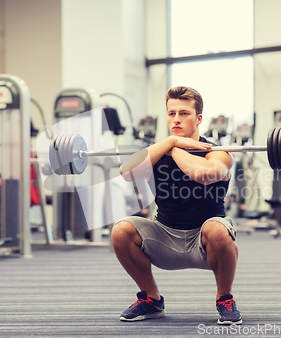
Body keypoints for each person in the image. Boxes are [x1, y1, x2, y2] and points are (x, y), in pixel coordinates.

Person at [112, 86, 241, 325]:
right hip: (165, 237)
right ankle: (151, 300)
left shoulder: (218, 153)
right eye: (172, 114)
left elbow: (203, 174)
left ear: (199, 118)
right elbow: (126, 172)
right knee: (121, 230)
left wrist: (173, 148)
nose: (176, 119)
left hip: (205, 242)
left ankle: (225, 298)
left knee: (218, 229)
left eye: (184, 113)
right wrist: (170, 142)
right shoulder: (160, 150)